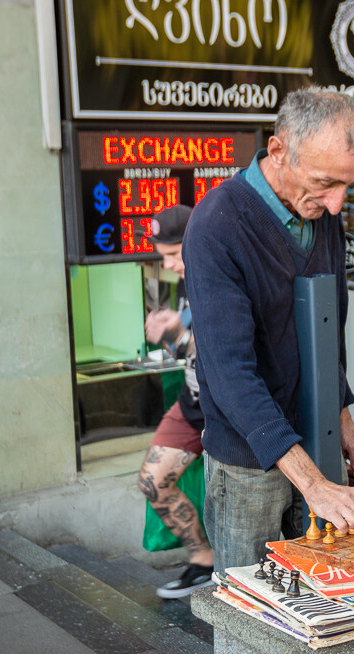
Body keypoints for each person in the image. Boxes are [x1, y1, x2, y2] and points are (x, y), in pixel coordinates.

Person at [184, 91, 354, 572]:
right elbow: (229, 374)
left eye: (350, 186)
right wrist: (314, 485)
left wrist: (343, 416)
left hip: (315, 437)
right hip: (247, 463)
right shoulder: (216, 225)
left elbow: (331, 327)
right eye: (326, 183)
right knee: (253, 611)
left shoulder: (319, 213)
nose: (336, 206)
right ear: (277, 151)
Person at [136, 204, 215, 599]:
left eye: (174, 254)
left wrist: (176, 336)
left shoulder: (217, 271)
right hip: (190, 403)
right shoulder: (185, 281)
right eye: (163, 256)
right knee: (153, 481)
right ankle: (204, 560)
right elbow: (189, 335)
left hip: (224, 411)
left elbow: (220, 346)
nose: (170, 265)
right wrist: (172, 326)